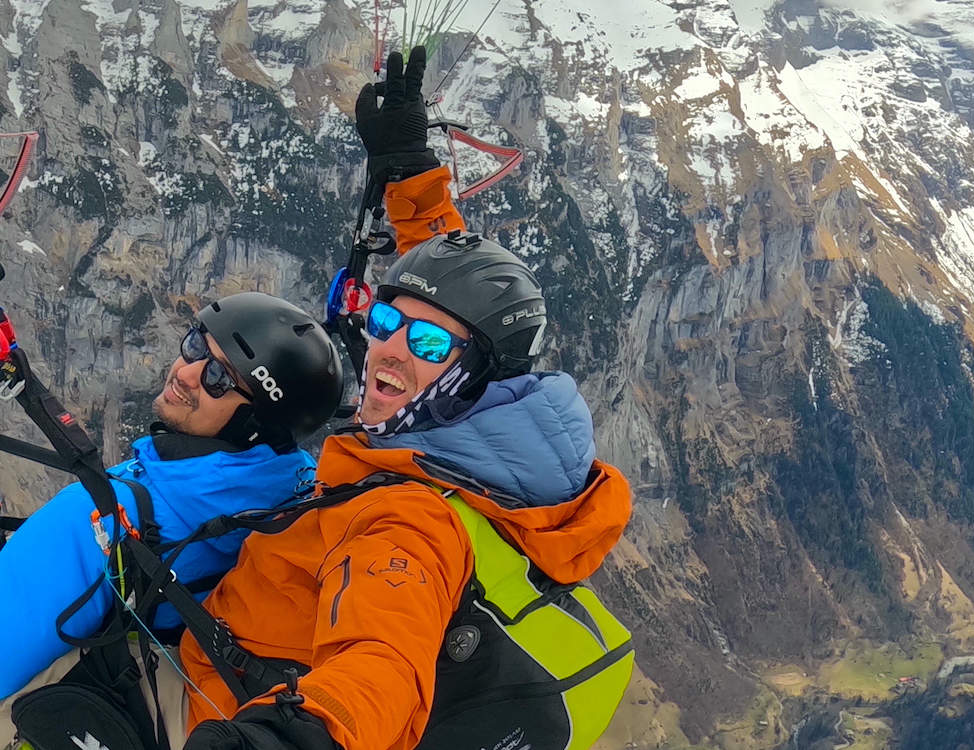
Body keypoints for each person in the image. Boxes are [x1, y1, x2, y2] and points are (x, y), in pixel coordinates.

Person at [171, 47, 634, 750]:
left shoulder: (405, 519)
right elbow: (457, 293)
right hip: (239, 649)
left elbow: (383, 663)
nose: (386, 348)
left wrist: (295, 738)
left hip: (217, 701)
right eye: (386, 322)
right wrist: (412, 172)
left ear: (471, 375)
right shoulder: (486, 432)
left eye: (423, 346)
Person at [0, 292, 345, 750]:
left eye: (216, 378)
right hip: (179, 659)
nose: (185, 373)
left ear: (256, 421)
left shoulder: (114, 512)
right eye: (194, 346)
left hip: (113, 682)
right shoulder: (296, 479)